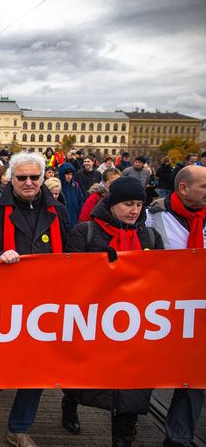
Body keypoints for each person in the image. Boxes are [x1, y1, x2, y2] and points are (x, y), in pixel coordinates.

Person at [0, 152, 68, 447]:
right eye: (21, 177)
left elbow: (74, 252)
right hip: (7, 301)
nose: (28, 182)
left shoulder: (58, 210)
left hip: (47, 302)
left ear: (43, 178)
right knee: (6, 360)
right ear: (10, 178)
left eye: (34, 177)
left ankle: (17, 428)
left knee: (38, 369)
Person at [64, 177, 163, 447]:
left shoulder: (149, 237)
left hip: (136, 325)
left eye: (139, 205)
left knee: (132, 387)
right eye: (128, 204)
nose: (134, 210)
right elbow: (69, 276)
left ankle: (123, 438)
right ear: (112, 204)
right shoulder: (84, 232)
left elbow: (162, 278)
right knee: (83, 377)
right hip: (93, 321)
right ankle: (70, 402)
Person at [145, 165, 206, 447]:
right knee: (143, 372)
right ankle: (128, 421)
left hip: (198, 315)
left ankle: (177, 440)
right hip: (158, 313)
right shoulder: (151, 217)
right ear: (183, 188)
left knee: (195, 379)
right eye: (204, 186)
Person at [58, 162, 84, 228]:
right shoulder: (58, 185)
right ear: (62, 174)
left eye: (71, 174)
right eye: (67, 174)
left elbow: (80, 201)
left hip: (74, 218)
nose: (69, 176)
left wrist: (79, 214)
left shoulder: (75, 185)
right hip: (62, 218)